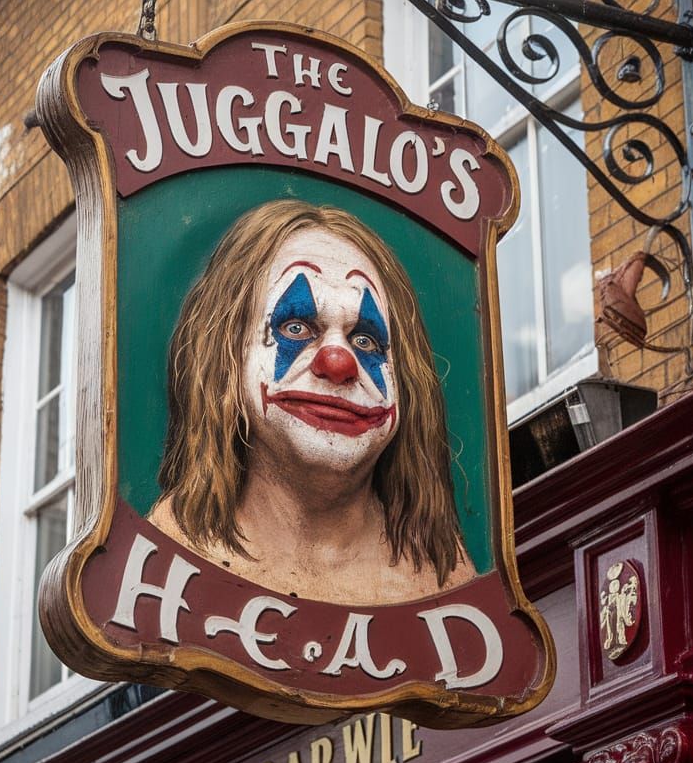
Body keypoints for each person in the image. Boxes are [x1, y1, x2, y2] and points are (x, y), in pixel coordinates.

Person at [149, 199, 472, 604]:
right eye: (297, 327)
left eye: (365, 340)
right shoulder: (171, 554)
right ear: (227, 357)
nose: (338, 364)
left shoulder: (445, 581)